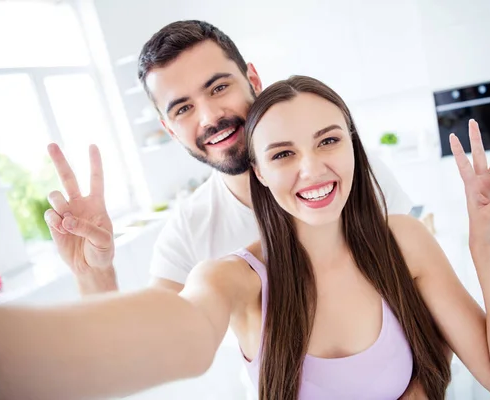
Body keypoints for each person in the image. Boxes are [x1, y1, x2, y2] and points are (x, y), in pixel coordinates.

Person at [0, 76, 490, 400]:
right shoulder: (233, 278)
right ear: (259, 171)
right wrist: (90, 275)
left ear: (354, 148)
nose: (312, 170)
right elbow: (166, 339)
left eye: (329, 141)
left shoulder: (404, 241)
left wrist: (487, 246)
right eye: (284, 154)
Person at [42, 20, 413, 298]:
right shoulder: (188, 231)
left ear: (253, 78)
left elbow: (423, 294)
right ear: (169, 129)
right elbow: (149, 346)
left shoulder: (346, 174)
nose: (209, 118)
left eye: (219, 87)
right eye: (183, 108)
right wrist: (93, 273)